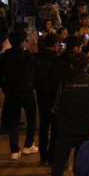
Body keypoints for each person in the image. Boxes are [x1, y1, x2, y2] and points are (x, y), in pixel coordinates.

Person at [51, 53, 89, 176]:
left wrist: (64, 119)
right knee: (82, 164)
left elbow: (56, 106)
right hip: (86, 129)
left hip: (66, 129)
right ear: (87, 66)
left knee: (59, 163)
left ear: (71, 65)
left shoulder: (63, 82)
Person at [0, 30, 39, 160]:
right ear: (23, 42)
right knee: (31, 117)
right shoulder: (27, 55)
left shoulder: (4, 56)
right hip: (26, 91)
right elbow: (35, 68)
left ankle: (14, 150)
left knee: (14, 120)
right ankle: (28, 145)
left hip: (11, 92)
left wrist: (5, 89)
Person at [35, 33, 61, 165]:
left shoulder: (36, 58)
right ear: (56, 45)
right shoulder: (57, 60)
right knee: (55, 129)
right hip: (54, 99)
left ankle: (43, 156)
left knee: (43, 127)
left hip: (41, 97)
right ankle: (51, 156)